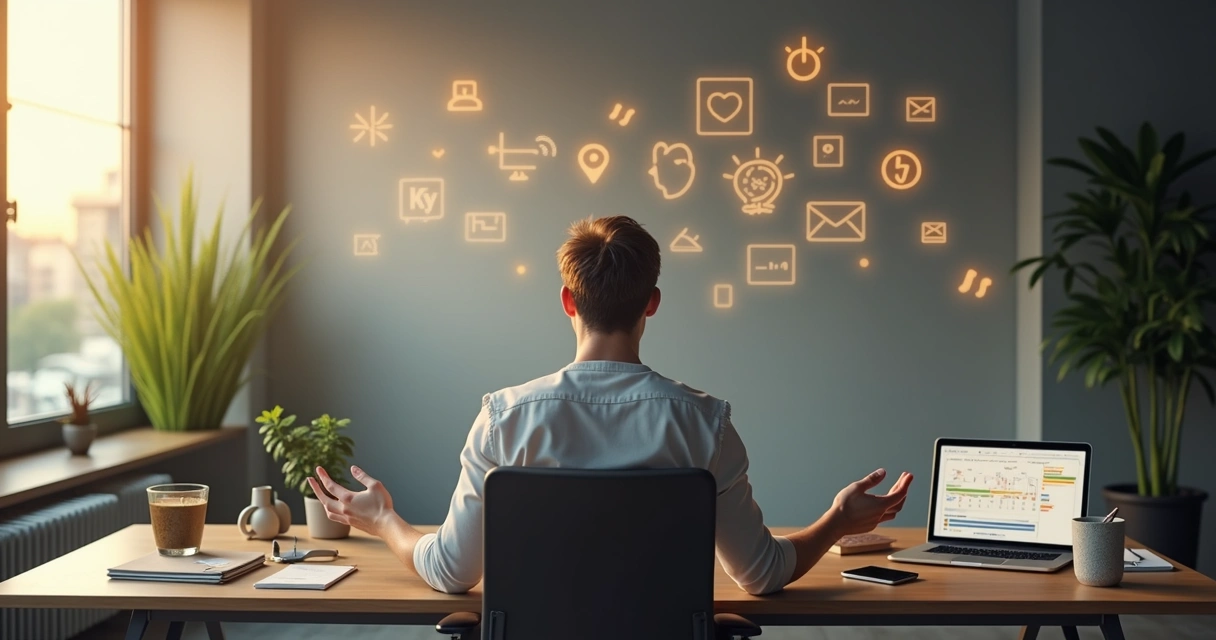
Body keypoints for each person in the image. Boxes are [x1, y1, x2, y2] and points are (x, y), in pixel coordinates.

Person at [308, 215, 913, 595]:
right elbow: (761, 576)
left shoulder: (504, 419)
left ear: (568, 302)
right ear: (652, 302)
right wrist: (837, 519)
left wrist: (384, 519)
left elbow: (450, 574)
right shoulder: (706, 425)